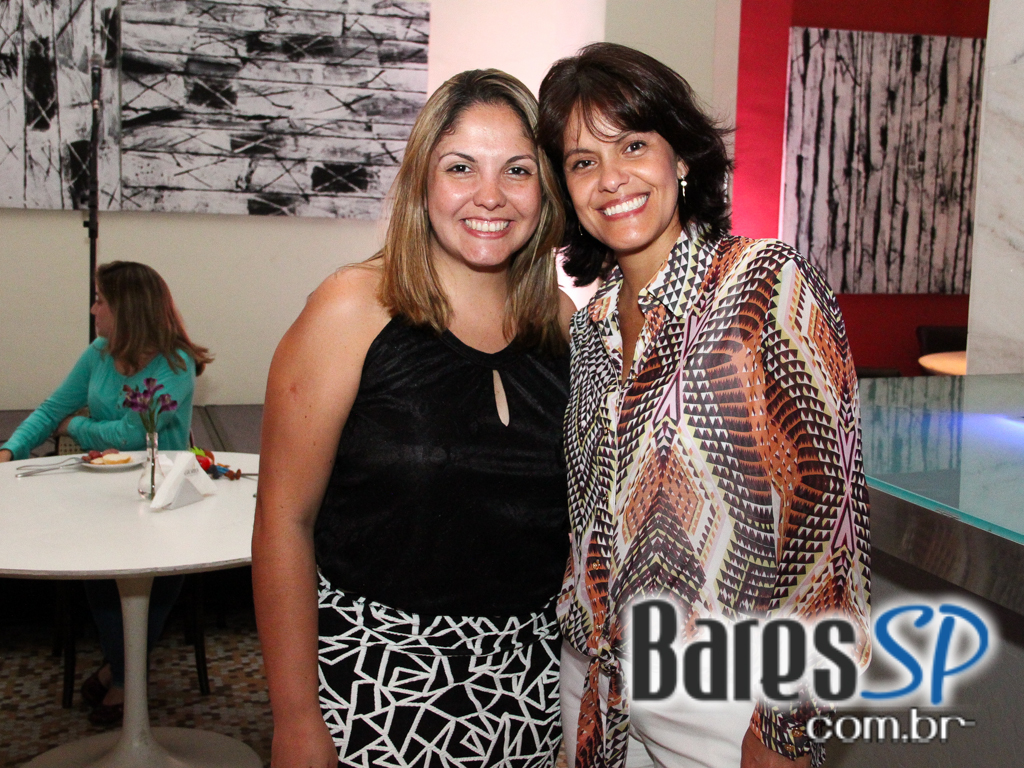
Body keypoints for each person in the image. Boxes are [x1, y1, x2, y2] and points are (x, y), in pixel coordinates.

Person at [537, 43, 871, 768]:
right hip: (592, 680)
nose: (611, 178)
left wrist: (787, 726)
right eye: (583, 161)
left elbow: (828, 521)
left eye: (633, 145)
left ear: (681, 157)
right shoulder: (590, 327)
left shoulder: (764, 284)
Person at [252, 69, 576, 768]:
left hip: (529, 694)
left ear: (545, 190)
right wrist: (296, 721)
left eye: (517, 170)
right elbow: (283, 522)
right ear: (421, 181)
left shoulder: (564, 325)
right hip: (373, 686)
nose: (490, 195)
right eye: (461, 167)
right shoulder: (352, 309)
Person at [0, 260, 213, 725]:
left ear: (126, 308)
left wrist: (75, 426)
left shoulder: (175, 365)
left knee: (157, 579)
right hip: (100, 488)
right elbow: (52, 408)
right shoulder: (98, 352)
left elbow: (134, 434)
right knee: (97, 573)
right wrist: (10, 449)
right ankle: (123, 670)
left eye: (101, 301)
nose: (94, 309)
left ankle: (122, 678)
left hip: (162, 493)